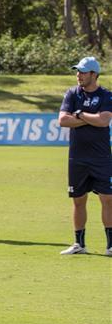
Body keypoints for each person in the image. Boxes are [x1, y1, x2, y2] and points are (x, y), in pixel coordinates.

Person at [58, 57, 112, 255]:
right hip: (77, 157)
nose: (78, 75)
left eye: (82, 72)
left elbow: (104, 120)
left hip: (101, 157)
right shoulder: (72, 93)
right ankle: (79, 244)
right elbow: (63, 120)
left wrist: (79, 115)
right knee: (78, 200)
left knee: (108, 199)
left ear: (94, 74)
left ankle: (110, 245)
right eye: (77, 71)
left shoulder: (106, 95)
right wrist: (90, 117)